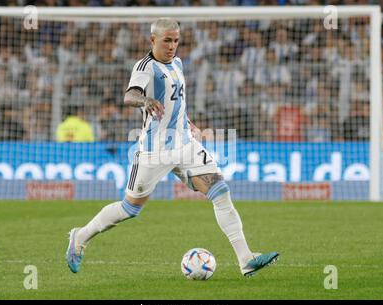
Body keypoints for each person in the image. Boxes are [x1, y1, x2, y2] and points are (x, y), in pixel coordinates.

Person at [66, 18, 279, 277]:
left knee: (220, 191)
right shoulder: (145, 67)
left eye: (176, 40)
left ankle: (246, 258)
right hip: (155, 150)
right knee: (129, 208)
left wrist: (188, 123)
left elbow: (176, 101)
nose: (172, 46)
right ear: (152, 40)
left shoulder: (177, 63)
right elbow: (129, 95)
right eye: (167, 40)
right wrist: (145, 100)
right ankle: (80, 237)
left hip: (185, 144)